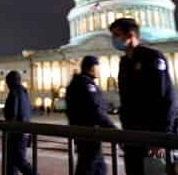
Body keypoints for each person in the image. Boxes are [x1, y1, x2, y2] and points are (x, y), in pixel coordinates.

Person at [109, 18, 177, 175]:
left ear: (130, 35)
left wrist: (162, 137)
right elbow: (126, 101)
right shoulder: (124, 63)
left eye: (116, 35)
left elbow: (166, 99)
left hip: (152, 135)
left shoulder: (153, 57)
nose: (114, 40)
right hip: (132, 136)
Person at [66, 56, 116, 175]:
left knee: (98, 167)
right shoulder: (87, 85)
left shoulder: (75, 83)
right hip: (89, 133)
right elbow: (96, 110)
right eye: (98, 66)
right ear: (92, 67)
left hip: (82, 133)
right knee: (89, 168)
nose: (99, 70)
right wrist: (112, 129)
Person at [3, 70, 37, 175]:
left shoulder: (14, 91)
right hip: (24, 131)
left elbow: (12, 112)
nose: (7, 84)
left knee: (19, 160)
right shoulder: (24, 92)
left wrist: (6, 113)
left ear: (11, 81)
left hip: (16, 132)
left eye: (7, 82)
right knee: (12, 161)